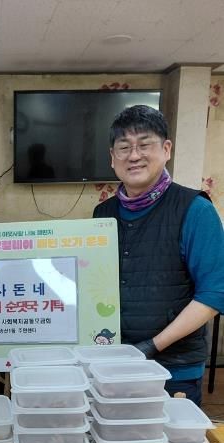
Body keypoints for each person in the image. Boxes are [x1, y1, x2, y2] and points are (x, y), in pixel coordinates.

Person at [93, 105, 224, 406]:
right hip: (111, 364)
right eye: (124, 147)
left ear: (166, 150)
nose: (134, 155)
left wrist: (150, 346)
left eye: (144, 144)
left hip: (173, 370)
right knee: (113, 431)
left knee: (166, 436)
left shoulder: (196, 210)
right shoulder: (102, 214)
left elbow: (214, 294)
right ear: (112, 157)